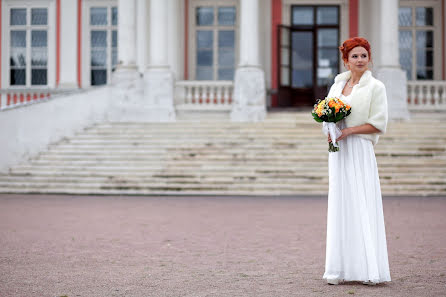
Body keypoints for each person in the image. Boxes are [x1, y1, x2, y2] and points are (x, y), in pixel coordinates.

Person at [322, 37, 391, 285]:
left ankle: (368, 269)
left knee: (361, 202)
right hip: (339, 151)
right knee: (341, 203)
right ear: (346, 60)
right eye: (355, 56)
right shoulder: (337, 85)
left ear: (369, 58)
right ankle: (339, 269)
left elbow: (378, 123)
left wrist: (349, 132)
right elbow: (328, 114)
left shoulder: (376, 87)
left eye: (364, 55)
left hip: (360, 149)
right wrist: (330, 129)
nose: (360, 60)